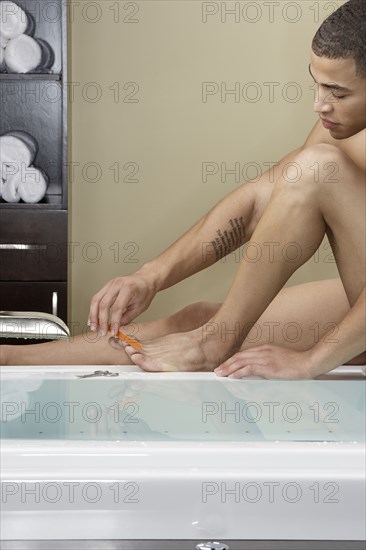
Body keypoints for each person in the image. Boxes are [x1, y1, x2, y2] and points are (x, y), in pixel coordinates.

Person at [2, 0, 365, 379]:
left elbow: (310, 176)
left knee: (317, 168)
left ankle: (215, 340)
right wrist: (151, 276)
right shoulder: (339, 132)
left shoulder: (323, 164)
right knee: (194, 320)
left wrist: (310, 362)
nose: (318, 104)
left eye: (337, 93)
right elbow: (261, 205)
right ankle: (10, 360)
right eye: (317, 83)